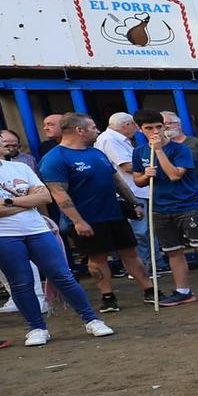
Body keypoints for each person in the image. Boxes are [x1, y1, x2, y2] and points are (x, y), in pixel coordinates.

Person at [0, 124, 113, 346]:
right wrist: (27, 202)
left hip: (36, 229)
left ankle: (91, 319)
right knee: (21, 282)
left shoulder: (19, 168)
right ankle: (36, 327)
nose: (3, 140)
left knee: (62, 275)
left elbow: (44, 198)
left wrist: (9, 201)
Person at [40, 113, 152, 314]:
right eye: (92, 127)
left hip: (113, 213)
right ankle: (107, 296)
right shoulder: (55, 158)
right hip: (88, 218)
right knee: (98, 257)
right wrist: (78, 221)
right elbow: (59, 193)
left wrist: (134, 203)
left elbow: (116, 180)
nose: (97, 130)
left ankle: (150, 290)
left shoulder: (97, 153)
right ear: (79, 130)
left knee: (130, 251)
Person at [132, 115, 198, 307]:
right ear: (140, 129)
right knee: (173, 251)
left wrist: (159, 152)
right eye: (149, 128)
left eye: (159, 127)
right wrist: (145, 175)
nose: (155, 131)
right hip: (160, 207)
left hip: (187, 205)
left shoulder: (181, 149)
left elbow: (175, 175)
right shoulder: (139, 151)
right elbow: (138, 180)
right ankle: (183, 291)